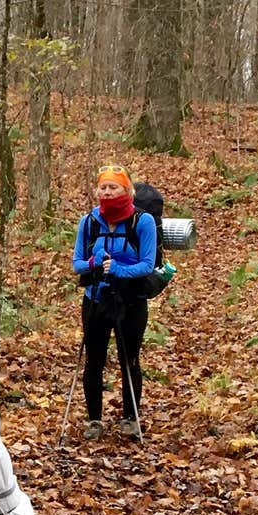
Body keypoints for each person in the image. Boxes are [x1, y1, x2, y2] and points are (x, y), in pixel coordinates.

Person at [72, 165, 157, 440]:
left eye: (113, 187)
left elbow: (148, 264)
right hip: (95, 299)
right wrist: (93, 263)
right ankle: (94, 420)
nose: (107, 192)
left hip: (131, 302)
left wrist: (119, 269)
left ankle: (130, 418)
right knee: (94, 361)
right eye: (103, 187)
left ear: (127, 190)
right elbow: (77, 263)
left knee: (128, 360)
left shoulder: (142, 222)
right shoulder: (89, 222)